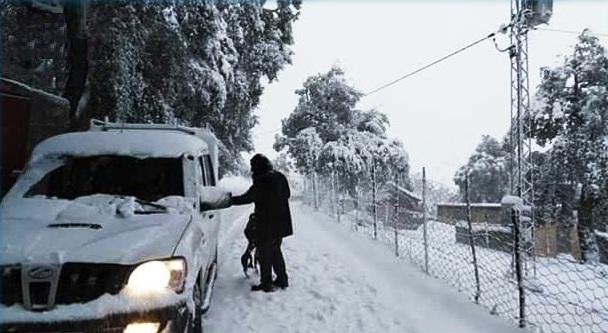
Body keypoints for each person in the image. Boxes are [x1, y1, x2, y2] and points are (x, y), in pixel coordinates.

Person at [231, 153, 293, 292]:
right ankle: (282, 279)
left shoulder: (262, 181)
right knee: (276, 251)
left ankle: (266, 284)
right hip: (281, 222)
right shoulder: (279, 176)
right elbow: (288, 194)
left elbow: (248, 198)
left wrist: (229, 200)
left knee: (265, 254)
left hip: (267, 224)